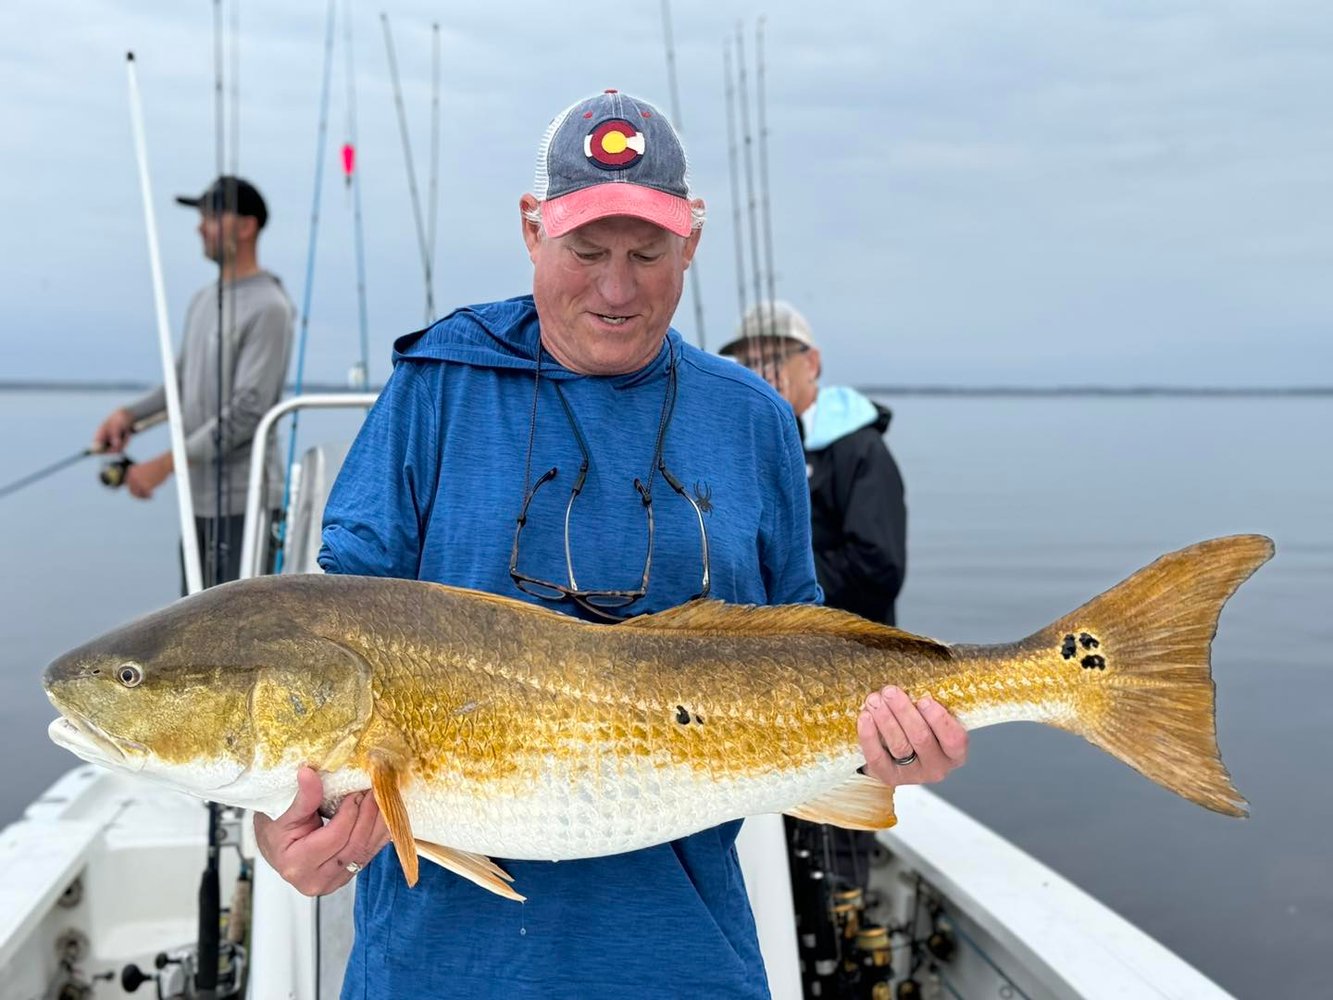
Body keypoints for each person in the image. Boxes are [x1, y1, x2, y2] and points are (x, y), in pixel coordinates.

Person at [253, 89, 967, 1000]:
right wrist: (286, 826)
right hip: (438, 967)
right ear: (530, 228)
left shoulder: (751, 418)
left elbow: (804, 650)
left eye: (648, 252)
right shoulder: (437, 388)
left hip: (685, 961)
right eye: (586, 251)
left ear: (693, 240)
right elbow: (334, 654)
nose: (617, 287)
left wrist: (885, 746)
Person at [93, 175, 294, 586]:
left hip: (246, 507)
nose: (200, 226)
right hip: (197, 504)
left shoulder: (270, 307)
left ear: (246, 225)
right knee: (196, 635)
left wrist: (164, 466)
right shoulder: (203, 300)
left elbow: (247, 413)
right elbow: (181, 384)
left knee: (238, 639)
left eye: (212, 215)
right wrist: (128, 416)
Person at [719, 303, 907, 627]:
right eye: (749, 362)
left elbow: (879, 568)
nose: (761, 373)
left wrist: (776, 579)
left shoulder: (861, 448)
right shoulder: (737, 447)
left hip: (851, 648)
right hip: (765, 647)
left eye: (774, 358)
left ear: (812, 363)